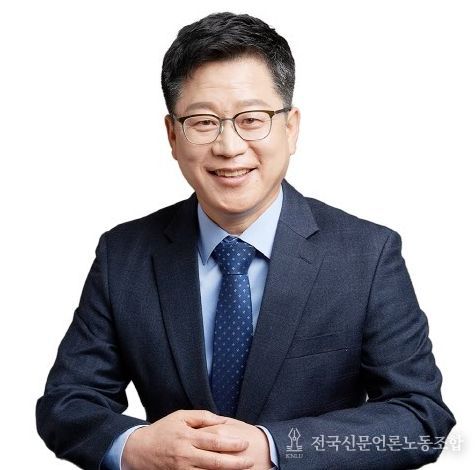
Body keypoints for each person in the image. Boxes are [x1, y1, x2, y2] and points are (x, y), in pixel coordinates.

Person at [36, 11, 456, 470]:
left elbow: (422, 419)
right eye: (203, 122)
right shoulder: (124, 254)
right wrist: (136, 447)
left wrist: (275, 448)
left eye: (252, 119)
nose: (229, 146)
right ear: (172, 135)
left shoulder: (367, 255)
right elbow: (67, 403)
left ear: (290, 128)